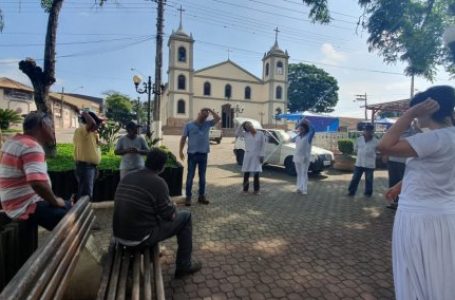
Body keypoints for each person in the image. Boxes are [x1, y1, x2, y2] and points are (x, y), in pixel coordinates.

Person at [377, 85, 455, 300]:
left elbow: (384, 146)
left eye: (418, 111)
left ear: (427, 109)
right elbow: (434, 170)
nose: (415, 119)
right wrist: (400, 185)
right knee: (438, 276)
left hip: (420, 219)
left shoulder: (435, 138)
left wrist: (409, 113)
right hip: (444, 217)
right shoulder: (448, 137)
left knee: (415, 277)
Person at [113, 148, 202, 279]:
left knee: (153, 212)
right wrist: (172, 206)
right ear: (162, 168)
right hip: (138, 239)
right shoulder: (159, 183)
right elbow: (170, 216)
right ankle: (184, 265)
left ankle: (181, 263)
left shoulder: (128, 176)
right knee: (186, 217)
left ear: (146, 162)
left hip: (119, 235)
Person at [0, 112, 71, 230]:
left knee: (69, 205)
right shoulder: (31, 146)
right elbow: (37, 182)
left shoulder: (12, 142)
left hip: (13, 204)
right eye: (52, 126)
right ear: (43, 125)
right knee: (73, 217)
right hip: (25, 206)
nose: (54, 131)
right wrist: (55, 202)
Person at [179, 108, 221, 206]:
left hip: (203, 154)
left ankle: (201, 196)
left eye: (206, 115)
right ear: (199, 113)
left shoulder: (207, 124)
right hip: (192, 155)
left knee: (202, 177)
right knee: (190, 176)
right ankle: (188, 197)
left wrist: (210, 110)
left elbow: (218, 118)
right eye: (203, 114)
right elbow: (183, 138)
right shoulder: (189, 125)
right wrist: (180, 151)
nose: (205, 117)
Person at [73, 111, 103, 200]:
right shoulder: (82, 130)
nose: (98, 126)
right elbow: (92, 123)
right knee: (85, 195)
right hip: (85, 167)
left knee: (87, 193)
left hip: (91, 167)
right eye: (97, 123)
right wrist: (84, 112)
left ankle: (83, 212)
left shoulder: (91, 133)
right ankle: (81, 213)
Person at [347, 123, 379, 197]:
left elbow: (378, 152)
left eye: (369, 130)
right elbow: (355, 149)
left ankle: (368, 193)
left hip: (370, 164)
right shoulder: (359, 139)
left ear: (372, 131)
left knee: (369, 180)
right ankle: (351, 191)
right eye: (366, 130)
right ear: (364, 131)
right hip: (359, 163)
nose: (367, 132)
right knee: (355, 178)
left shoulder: (376, 141)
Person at [235, 121, 265, 195]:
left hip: (257, 156)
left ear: (252, 125)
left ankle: (256, 190)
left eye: (249, 124)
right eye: (247, 126)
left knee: (256, 174)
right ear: (246, 129)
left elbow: (263, 145)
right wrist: (241, 124)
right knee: (246, 174)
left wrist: (262, 155)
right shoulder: (245, 134)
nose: (249, 126)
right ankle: (245, 190)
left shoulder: (260, 134)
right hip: (248, 156)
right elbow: (236, 133)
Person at [293, 119, 315, 195]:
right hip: (297, 158)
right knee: (299, 173)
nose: (300, 129)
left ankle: (304, 189)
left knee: (304, 174)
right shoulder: (297, 137)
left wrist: (308, 122)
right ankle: (298, 188)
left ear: (306, 129)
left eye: (302, 128)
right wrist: (299, 123)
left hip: (305, 158)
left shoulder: (308, 136)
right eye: (300, 128)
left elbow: (313, 130)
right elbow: (295, 129)